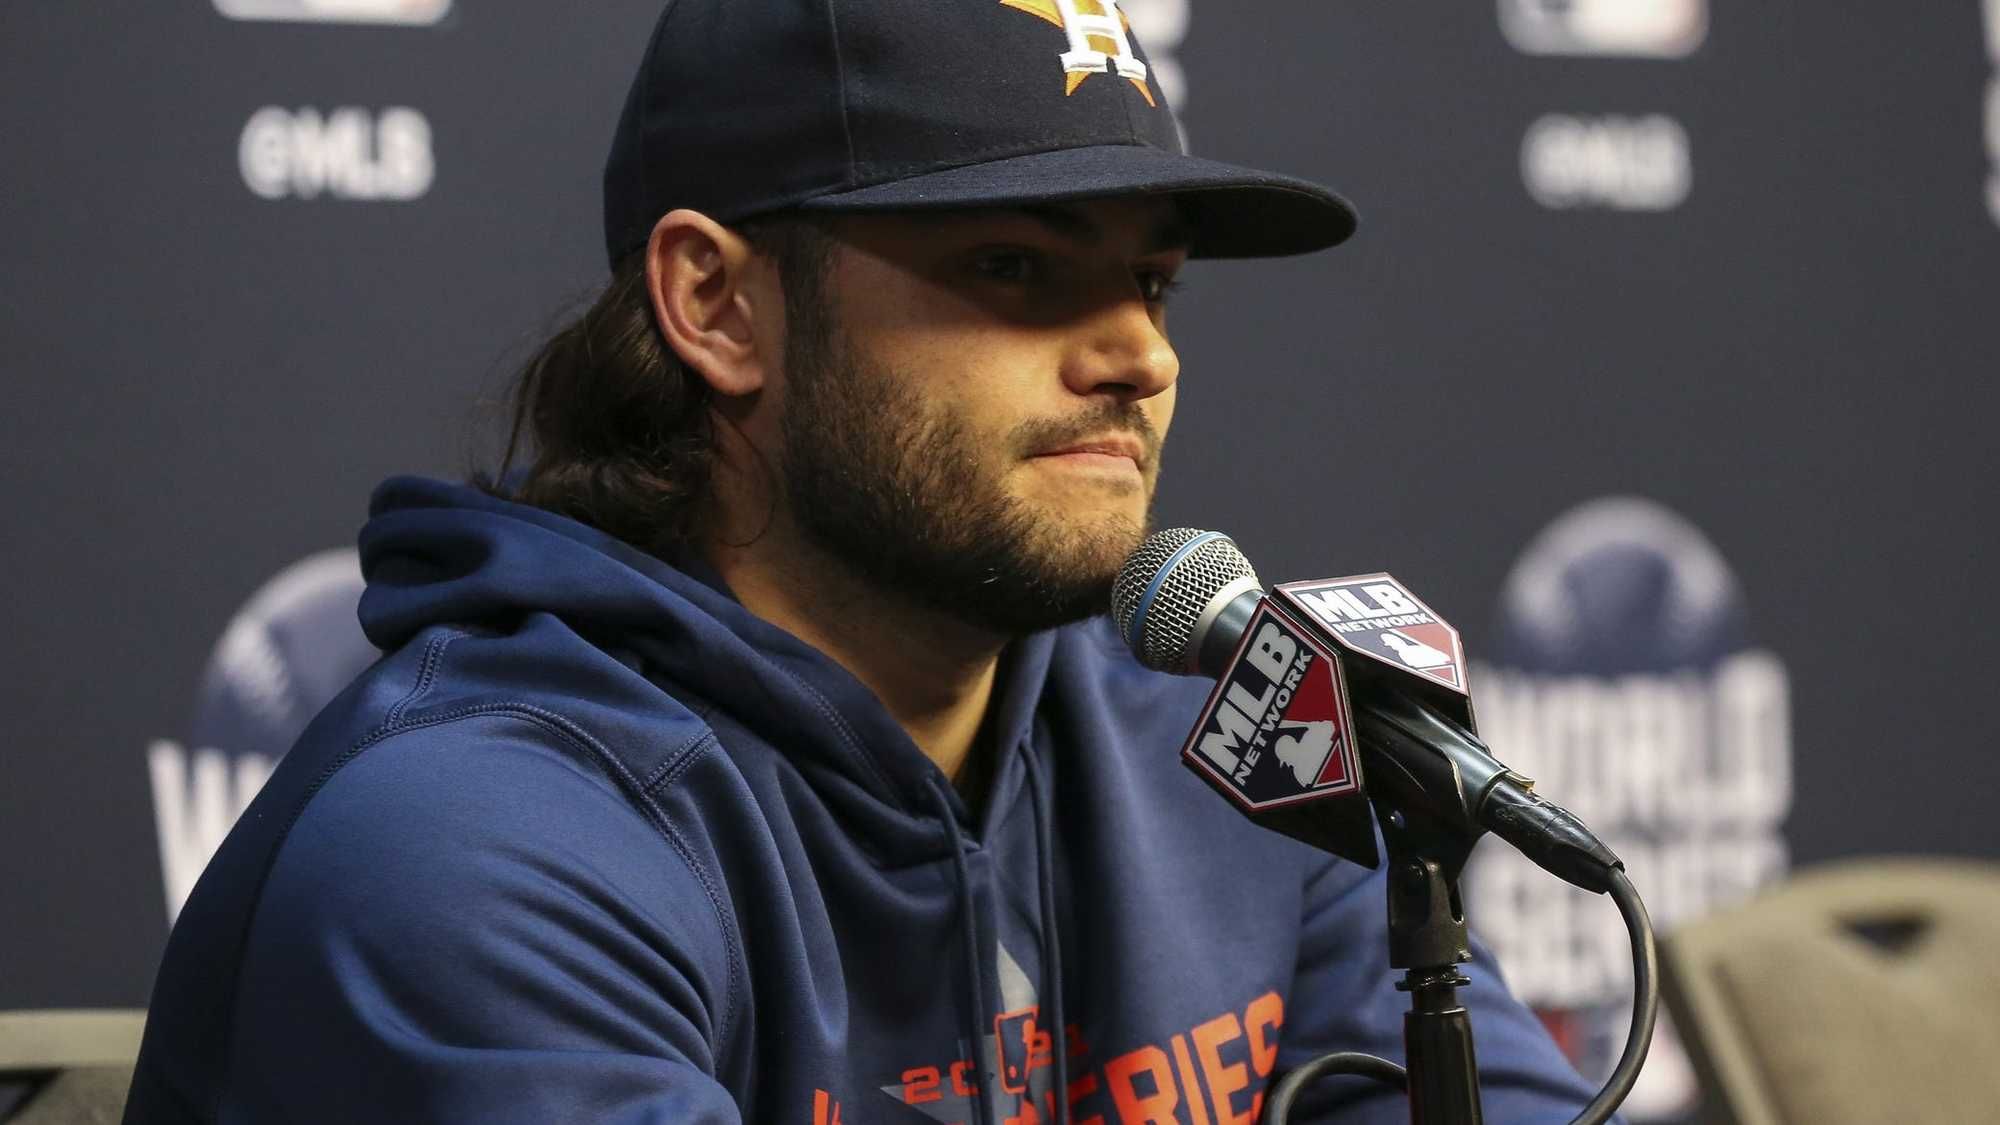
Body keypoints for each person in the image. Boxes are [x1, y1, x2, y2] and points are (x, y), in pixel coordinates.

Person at [125, 2, 1604, 1122]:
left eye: (1152, 280)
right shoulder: (469, 848)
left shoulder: (1223, 757)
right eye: (1014, 266)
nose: (1141, 355)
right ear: (718, 305)